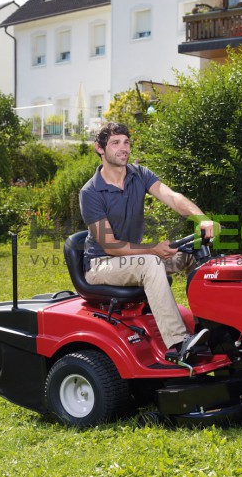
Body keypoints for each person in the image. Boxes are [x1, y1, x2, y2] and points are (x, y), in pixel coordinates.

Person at [79, 122, 216, 362]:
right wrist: (152, 250)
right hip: (101, 264)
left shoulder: (139, 175)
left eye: (126, 142)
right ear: (99, 149)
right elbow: (110, 245)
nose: (124, 148)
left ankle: (212, 328)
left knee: (194, 251)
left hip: (134, 258)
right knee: (150, 263)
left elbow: (172, 197)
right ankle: (179, 343)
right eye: (115, 143)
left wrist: (201, 218)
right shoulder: (91, 192)